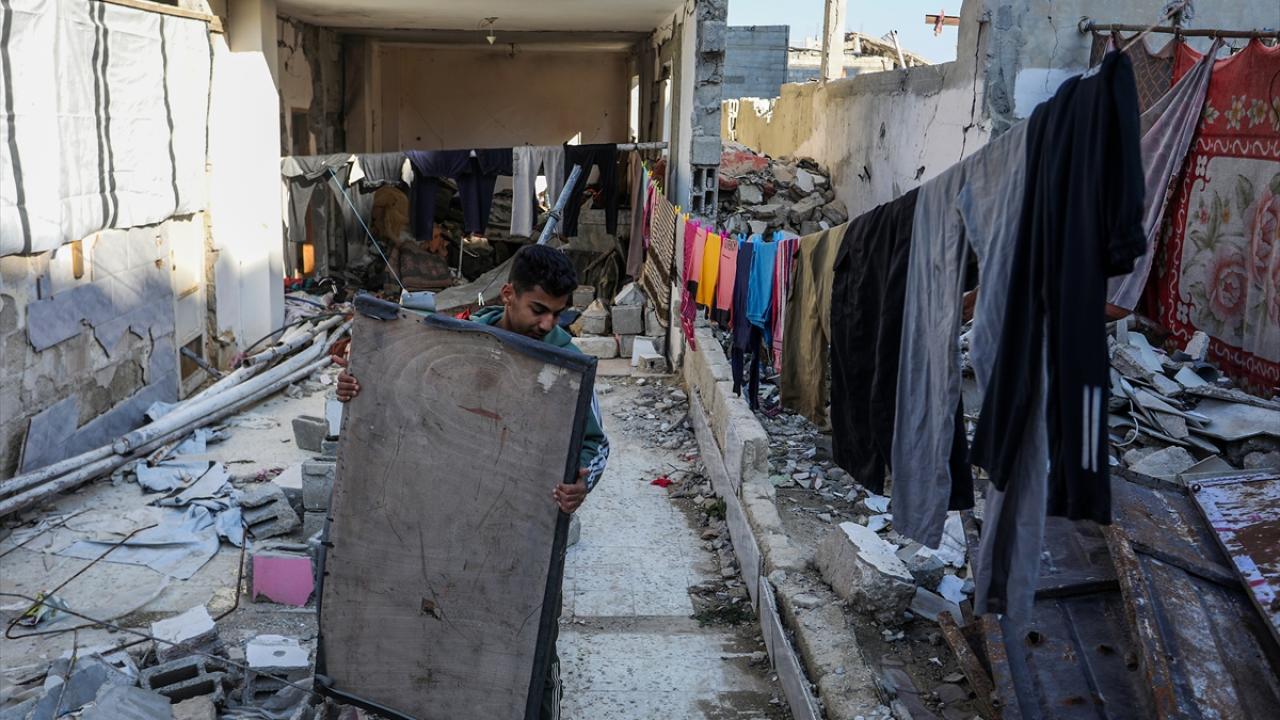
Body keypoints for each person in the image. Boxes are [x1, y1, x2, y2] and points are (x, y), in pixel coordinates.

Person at [334, 243, 609, 720]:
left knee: (530, 649)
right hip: (451, 522)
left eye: (558, 314)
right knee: (446, 636)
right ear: (508, 294)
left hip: (524, 533)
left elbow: (596, 444)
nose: (548, 324)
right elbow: (409, 400)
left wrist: (582, 484)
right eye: (538, 309)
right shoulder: (460, 341)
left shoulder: (567, 362)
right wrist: (358, 387)